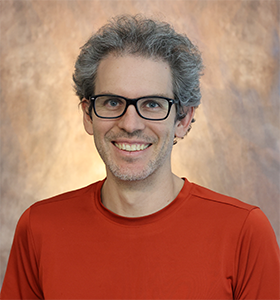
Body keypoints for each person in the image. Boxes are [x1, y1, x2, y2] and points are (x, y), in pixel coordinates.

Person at [1, 15, 280, 300]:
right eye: (112, 102)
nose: (130, 124)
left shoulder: (244, 232)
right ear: (88, 115)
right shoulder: (39, 227)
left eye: (152, 104)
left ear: (183, 119)